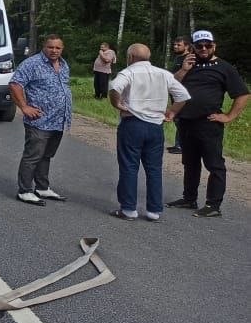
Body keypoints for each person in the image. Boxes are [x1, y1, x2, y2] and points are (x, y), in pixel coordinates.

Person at [167, 30, 250, 218]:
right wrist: (184, 70)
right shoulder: (186, 64)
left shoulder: (224, 67)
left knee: (214, 165)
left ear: (214, 46)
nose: (204, 49)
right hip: (186, 121)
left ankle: (213, 205)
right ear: (193, 47)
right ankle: (189, 199)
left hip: (208, 123)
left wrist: (229, 116)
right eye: (199, 46)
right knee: (190, 162)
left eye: (208, 45)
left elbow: (243, 94)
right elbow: (171, 85)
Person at [107, 43, 190, 221]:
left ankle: (128, 209)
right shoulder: (163, 74)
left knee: (129, 166)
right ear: (148, 57)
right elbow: (183, 95)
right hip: (155, 126)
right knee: (154, 168)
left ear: (130, 57)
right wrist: (172, 112)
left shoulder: (128, 73)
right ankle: (154, 210)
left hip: (132, 123)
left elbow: (114, 88)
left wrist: (117, 103)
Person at [10, 34, 73, 206]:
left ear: (62, 48)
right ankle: (25, 190)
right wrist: (24, 107)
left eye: (57, 48)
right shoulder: (32, 63)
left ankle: (42, 187)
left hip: (58, 121)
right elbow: (15, 84)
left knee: (46, 156)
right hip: (40, 120)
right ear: (44, 47)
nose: (54, 50)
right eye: (50, 47)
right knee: (33, 156)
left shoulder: (64, 65)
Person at [166, 36, 191, 154]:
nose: (175, 47)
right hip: (175, 92)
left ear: (186, 46)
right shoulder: (178, 58)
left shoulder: (189, 58)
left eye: (178, 45)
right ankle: (178, 144)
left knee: (182, 119)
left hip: (183, 93)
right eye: (174, 45)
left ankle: (182, 146)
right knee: (177, 119)